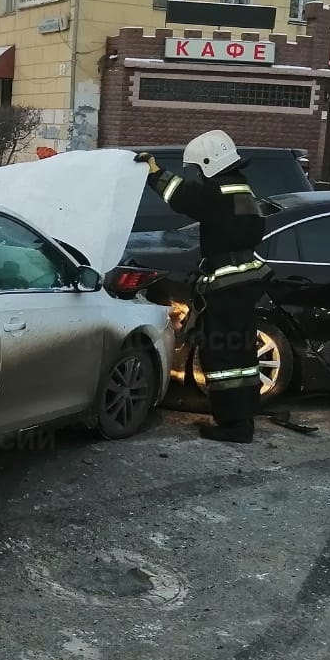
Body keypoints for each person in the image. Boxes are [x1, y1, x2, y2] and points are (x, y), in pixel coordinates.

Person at [135, 131, 273, 443]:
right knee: (240, 354)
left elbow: (183, 196)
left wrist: (154, 173)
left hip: (227, 285)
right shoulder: (242, 188)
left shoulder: (218, 192)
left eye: (197, 168)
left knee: (223, 358)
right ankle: (243, 418)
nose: (195, 175)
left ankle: (232, 425)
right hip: (245, 282)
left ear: (209, 164)